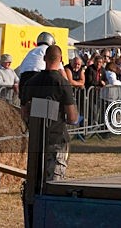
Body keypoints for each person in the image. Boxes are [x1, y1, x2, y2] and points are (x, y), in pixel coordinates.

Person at [20, 44, 78, 181]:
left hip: (37, 139)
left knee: (35, 181)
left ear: (44, 58)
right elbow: (72, 117)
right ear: (61, 59)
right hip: (56, 139)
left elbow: (24, 113)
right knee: (54, 183)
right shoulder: (62, 83)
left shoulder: (31, 82)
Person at [17, 31, 56, 101]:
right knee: (42, 104)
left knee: (24, 104)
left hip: (24, 79)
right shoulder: (49, 51)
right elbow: (60, 69)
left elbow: (20, 68)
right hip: (39, 78)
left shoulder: (31, 51)